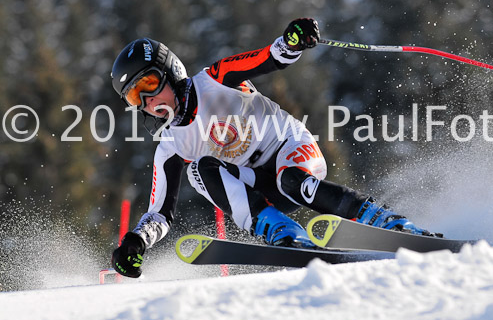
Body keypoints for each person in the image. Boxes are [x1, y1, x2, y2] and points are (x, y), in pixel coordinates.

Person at [111, 18, 431, 278]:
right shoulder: (171, 146)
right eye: (135, 97)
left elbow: (269, 58)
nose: (149, 102)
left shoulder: (214, 80)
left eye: (148, 85)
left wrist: (291, 41)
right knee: (199, 170)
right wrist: (137, 241)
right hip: (258, 183)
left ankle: (386, 222)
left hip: (289, 149)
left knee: (291, 180)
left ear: (170, 71)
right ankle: (284, 233)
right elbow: (160, 214)